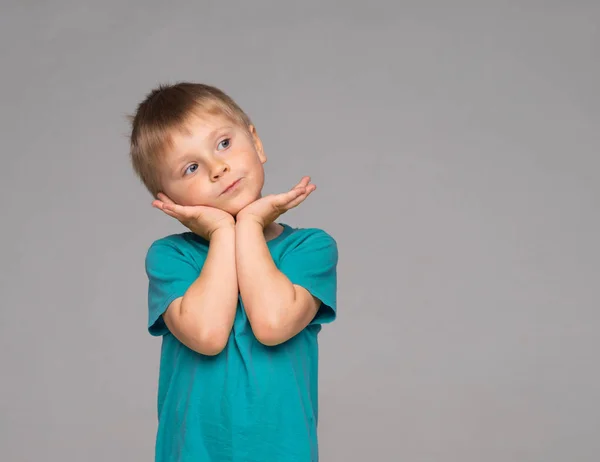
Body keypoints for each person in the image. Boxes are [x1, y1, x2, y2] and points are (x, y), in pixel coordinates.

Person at [128, 82, 339, 461]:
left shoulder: (309, 248)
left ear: (256, 143)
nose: (218, 168)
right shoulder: (171, 257)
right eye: (191, 167)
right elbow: (207, 334)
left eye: (224, 144)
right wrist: (225, 231)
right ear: (169, 201)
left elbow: (273, 324)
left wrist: (251, 224)